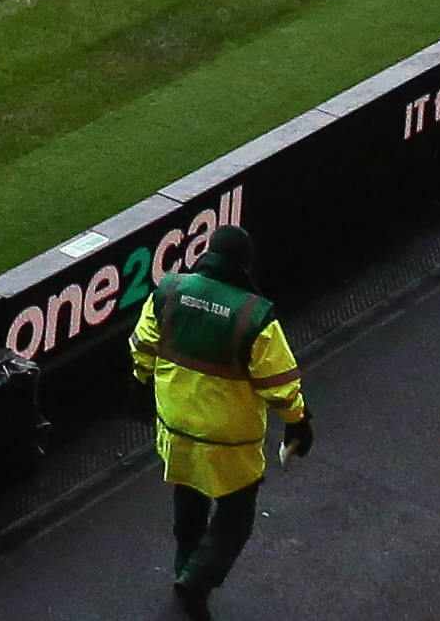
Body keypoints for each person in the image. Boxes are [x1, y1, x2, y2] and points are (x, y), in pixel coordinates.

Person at [131, 226, 310, 612]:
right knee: (237, 513)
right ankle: (197, 578)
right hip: (230, 443)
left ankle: (185, 566)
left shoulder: (170, 291)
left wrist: (143, 378)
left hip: (175, 429)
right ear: (246, 265)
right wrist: (298, 421)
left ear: (208, 253)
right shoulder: (255, 315)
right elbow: (279, 383)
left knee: (189, 495)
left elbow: (142, 346)